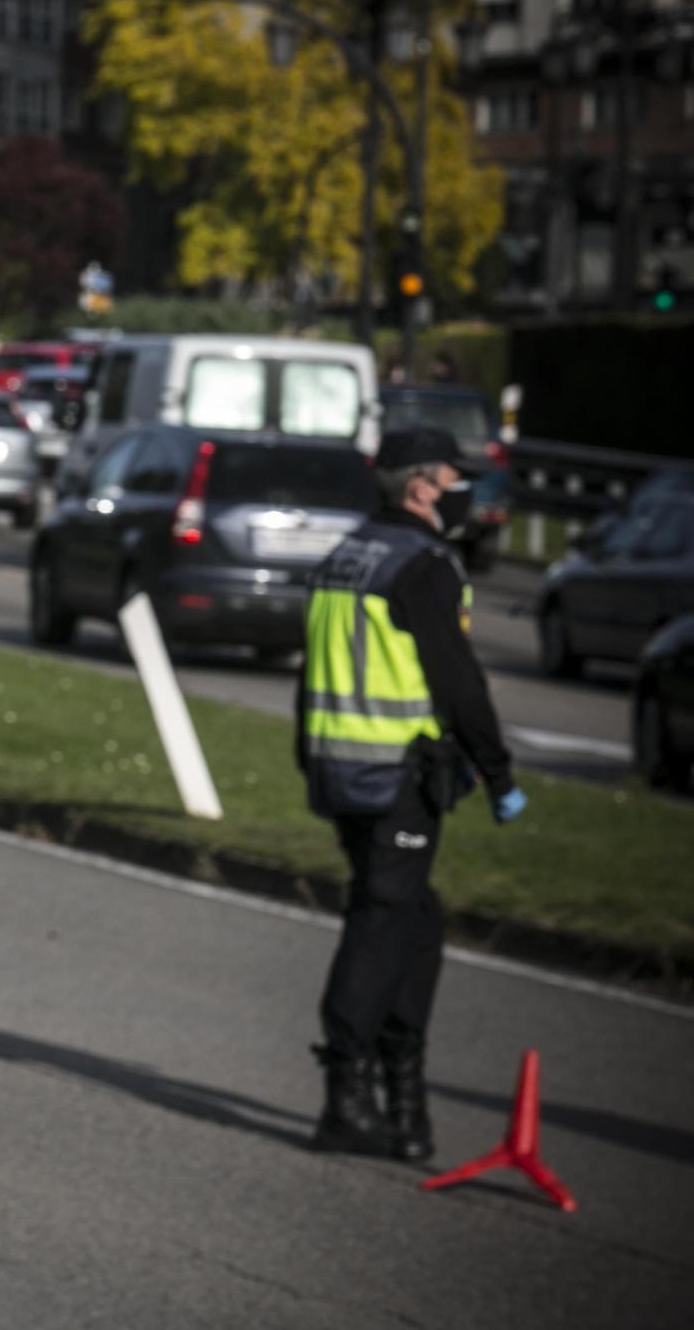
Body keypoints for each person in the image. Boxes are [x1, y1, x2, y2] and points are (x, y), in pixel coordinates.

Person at [296, 426, 526, 1160]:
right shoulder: (422, 565)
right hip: (397, 773)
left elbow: (312, 676)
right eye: (457, 479)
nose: (466, 493)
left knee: (415, 921)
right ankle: (346, 1095)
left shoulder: (348, 555)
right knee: (383, 914)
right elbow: (459, 680)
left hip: (343, 767)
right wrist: (498, 771)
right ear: (423, 486)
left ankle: (403, 1099)